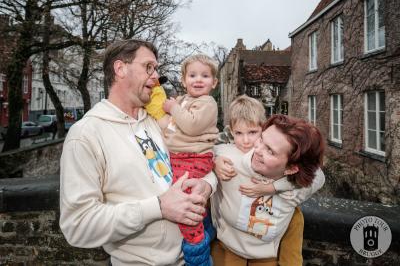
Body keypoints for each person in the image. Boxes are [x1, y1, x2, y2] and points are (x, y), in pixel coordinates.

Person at [59, 39, 217, 266]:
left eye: (156, 69)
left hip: (190, 258)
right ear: (120, 69)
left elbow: (200, 157)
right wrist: (159, 207)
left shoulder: (158, 122)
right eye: (148, 67)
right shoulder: (86, 134)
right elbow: (78, 226)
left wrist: (208, 184)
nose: (156, 77)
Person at [211, 113, 325, 266]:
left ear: (291, 169)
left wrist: (273, 187)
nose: (256, 150)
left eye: (270, 151)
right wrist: (212, 162)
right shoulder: (229, 161)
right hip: (227, 253)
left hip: (266, 259)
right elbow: (196, 152)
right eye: (262, 139)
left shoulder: (297, 190)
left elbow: (318, 176)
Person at [145, 54, 219, 266]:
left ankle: (196, 243)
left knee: (184, 195)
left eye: (204, 76)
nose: (198, 80)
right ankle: (206, 226)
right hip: (180, 156)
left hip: (195, 157)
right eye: (192, 75)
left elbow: (191, 125)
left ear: (213, 83)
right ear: (184, 79)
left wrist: (173, 108)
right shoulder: (184, 100)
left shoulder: (207, 102)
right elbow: (170, 126)